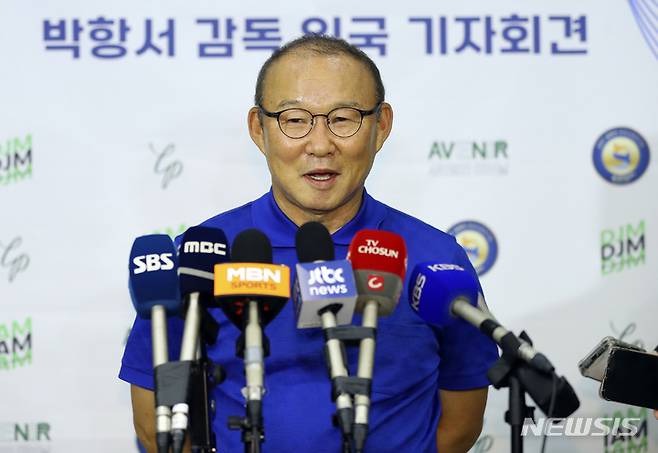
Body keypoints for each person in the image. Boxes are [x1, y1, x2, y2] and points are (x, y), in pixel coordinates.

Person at [120, 34, 499, 453]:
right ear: (258, 129)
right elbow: (154, 422)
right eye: (295, 119)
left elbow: (460, 424)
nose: (320, 145)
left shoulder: (435, 260)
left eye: (344, 118)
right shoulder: (202, 258)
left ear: (381, 126)